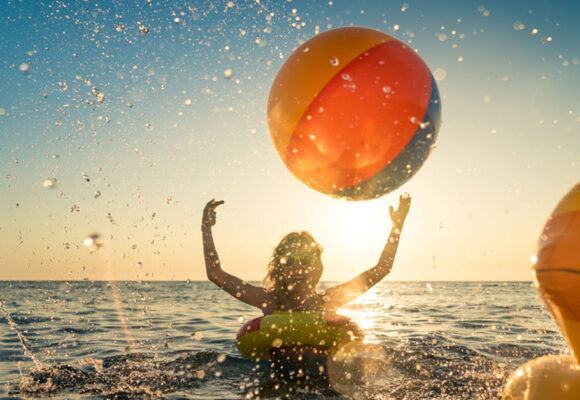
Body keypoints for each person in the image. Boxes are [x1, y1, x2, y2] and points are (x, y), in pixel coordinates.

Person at [201, 194, 411, 315]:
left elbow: (382, 269)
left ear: (316, 266)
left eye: (305, 260)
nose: (297, 267)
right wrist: (206, 229)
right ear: (279, 267)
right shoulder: (267, 301)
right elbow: (215, 274)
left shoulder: (328, 300)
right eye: (288, 260)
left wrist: (397, 227)